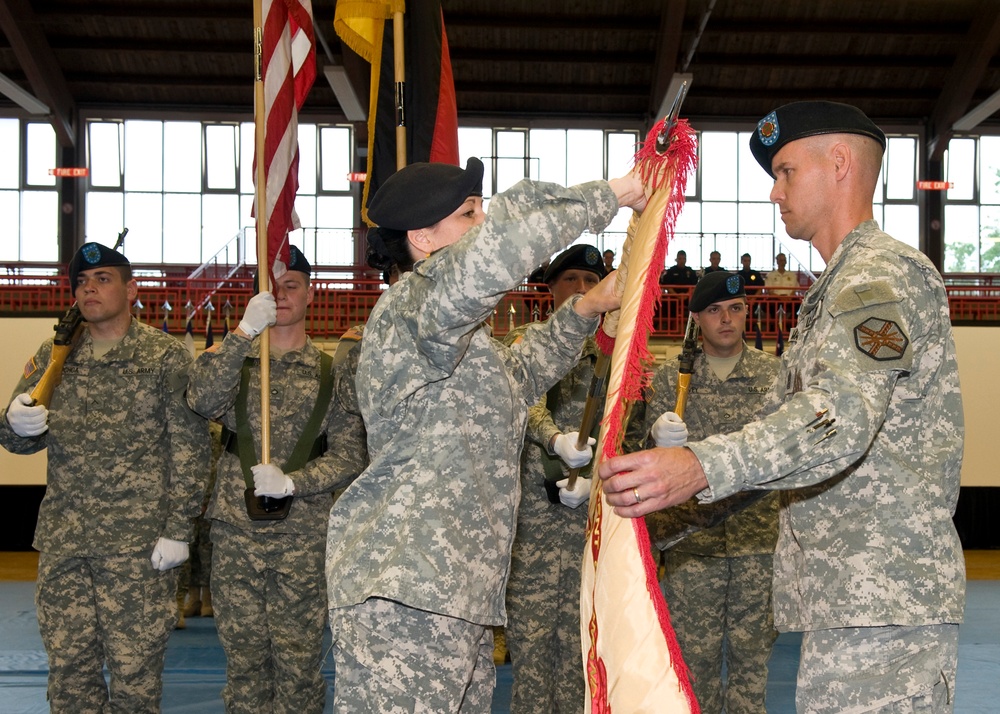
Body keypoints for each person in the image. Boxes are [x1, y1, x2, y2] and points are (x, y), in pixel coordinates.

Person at [598, 101, 965, 713]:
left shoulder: (882, 277)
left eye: (786, 171)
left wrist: (700, 465)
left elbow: (839, 418)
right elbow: (771, 439)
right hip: (853, 606)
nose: (774, 193)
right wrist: (651, 499)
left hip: (885, 609)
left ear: (840, 164)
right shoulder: (832, 291)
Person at [325, 157, 646, 712]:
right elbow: (499, 250)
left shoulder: (464, 340)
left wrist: (587, 307)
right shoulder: (413, 306)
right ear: (423, 239)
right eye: (470, 213)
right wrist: (614, 194)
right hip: (407, 588)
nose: (484, 223)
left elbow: (519, 377)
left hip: (456, 592)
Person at [0, 241, 210, 713]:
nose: (88, 289)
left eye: (102, 279)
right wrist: (13, 421)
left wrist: (179, 531)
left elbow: (191, 450)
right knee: (70, 679)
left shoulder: (162, 355)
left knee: (135, 683)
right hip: (64, 546)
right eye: (80, 282)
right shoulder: (54, 353)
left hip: (136, 552)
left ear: (132, 289)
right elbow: (19, 440)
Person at [186, 245, 367, 714]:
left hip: (302, 539)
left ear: (311, 294)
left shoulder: (333, 372)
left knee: (299, 667)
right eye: (271, 286)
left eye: (292, 285)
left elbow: (351, 453)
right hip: (236, 535)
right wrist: (244, 333)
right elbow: (202, 400)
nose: (282, 295)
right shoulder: (232, 363)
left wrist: (295, 483)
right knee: (244, 667)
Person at [627, 271, 780, 713]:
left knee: (752, 673)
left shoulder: (776, 377)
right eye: (714, 310)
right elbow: (636, 456)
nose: (726, 319)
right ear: (696, 318)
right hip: (691, 547)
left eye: (735, 309)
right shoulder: (668, 380)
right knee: (693, 672)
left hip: (757, 544)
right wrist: (655, 439)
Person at [502, 243, 607, 713]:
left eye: (591, 282)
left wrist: (597, 475)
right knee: (529, 660)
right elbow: (525, 404)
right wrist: (553, 440)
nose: (581, 290)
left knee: (580, 663)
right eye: (571, 281)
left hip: (590, 531)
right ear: (550, 289)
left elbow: (623, 427)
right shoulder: (524, 342)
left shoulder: (612, 356)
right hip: (532, 533)